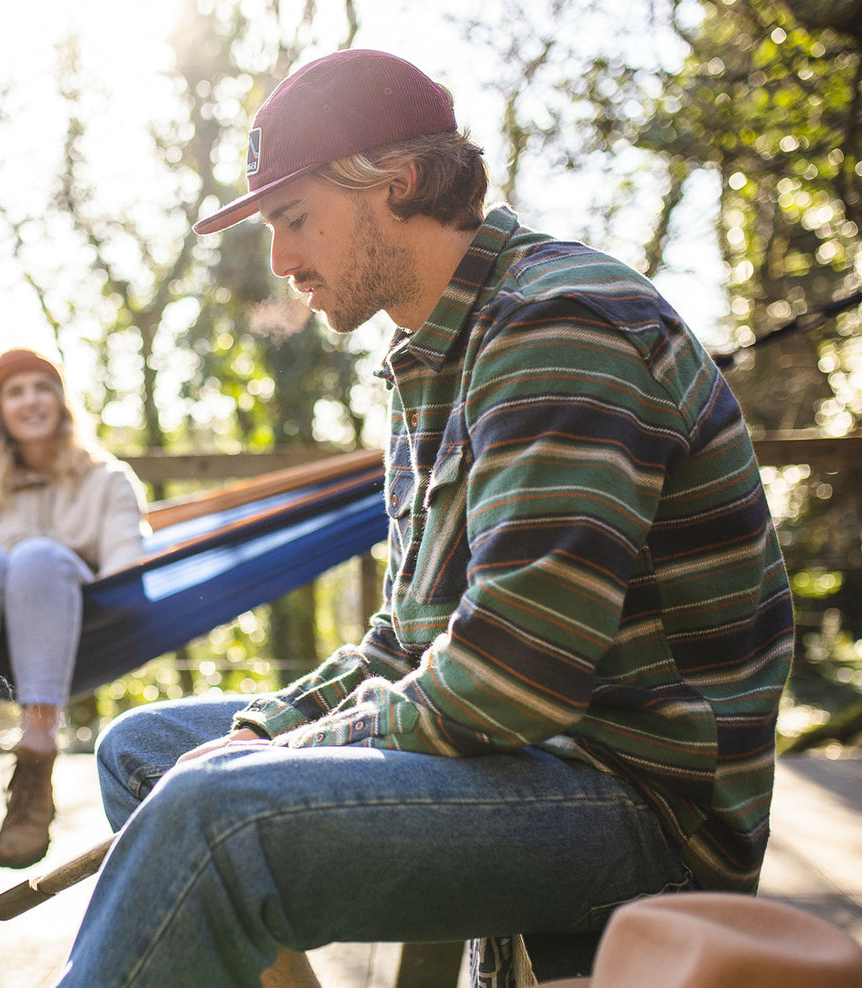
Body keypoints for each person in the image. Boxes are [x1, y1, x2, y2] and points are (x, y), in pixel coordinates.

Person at [57, 50, 794, 987]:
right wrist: (261, 731)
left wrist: (268, 762)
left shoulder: (556, 326)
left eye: (294, 219)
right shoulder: (433, 355)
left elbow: (508, 681)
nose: (281, 263)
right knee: (146, 752)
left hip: (637, 799)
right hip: (532, 757)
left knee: (215, 812)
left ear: (395, 185)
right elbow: (404, 642)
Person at [0, 347, 147, 870]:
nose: (31, 401)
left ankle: (35, 770)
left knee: (40, 558)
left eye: (42, 387)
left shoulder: (107, 480)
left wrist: (46, 569)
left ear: (62, 400)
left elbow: (126, 572)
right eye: (15, 392)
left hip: (73, 628)